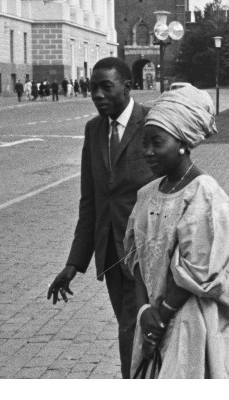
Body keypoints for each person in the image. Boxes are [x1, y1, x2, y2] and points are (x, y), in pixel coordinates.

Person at [124, 83, 229, 378]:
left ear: (183, 141)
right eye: (144, 143)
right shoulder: (146, 195)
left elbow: (196, 271)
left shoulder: (204, 193)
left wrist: (161, 318)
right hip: (151, 322)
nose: (148, 152)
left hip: (188, 320)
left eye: (157, 143)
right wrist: (145, 313)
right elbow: (136, 262)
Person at [47, 57, 154, 378]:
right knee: (129, 324)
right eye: (93, 88)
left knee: (136, 327)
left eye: (105, 87)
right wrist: (73, 263)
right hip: (110, 254)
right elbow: (90, 201)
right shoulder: (93, 129)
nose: (97, 95)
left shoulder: (151, 123)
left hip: (148, 251)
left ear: (127, 87)